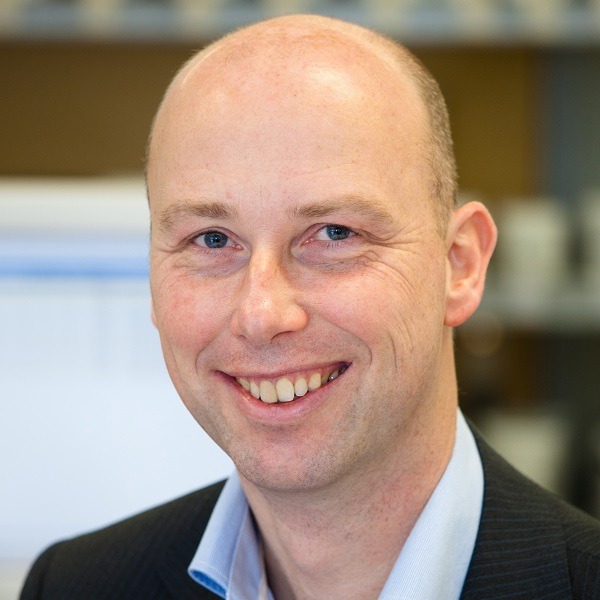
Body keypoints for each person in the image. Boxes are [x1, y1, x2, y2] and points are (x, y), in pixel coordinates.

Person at [21, 14, 600, 600]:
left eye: (334, 234)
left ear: (460, 265)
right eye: (213, 240)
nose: (261, 313)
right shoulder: (73, 587)